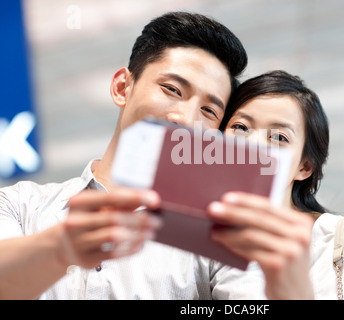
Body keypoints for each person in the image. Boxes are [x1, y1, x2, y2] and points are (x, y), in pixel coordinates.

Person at [0, 11, 267, 300]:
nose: (186, 120)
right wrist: (59, 249)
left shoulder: (224, 238)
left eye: (209, 111)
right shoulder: (19, 204)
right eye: (172, 89)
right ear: (122, 87)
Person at [207, 70, 344, 299]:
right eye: (240, 127)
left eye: (279, 137)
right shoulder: (205, 240)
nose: (252, 145)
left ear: (304, 167)